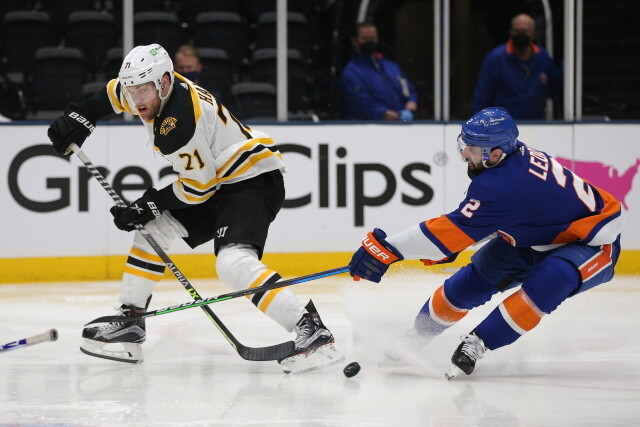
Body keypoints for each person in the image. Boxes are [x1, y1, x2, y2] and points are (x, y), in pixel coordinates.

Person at [47, 44, 344, 373]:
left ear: (163, 83)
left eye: (143, 90)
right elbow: (112, 95)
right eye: (132, 90)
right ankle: (131, 324)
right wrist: (81, 116)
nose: (137, 100)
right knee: (153, 231)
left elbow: (197, 187)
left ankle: (311, 330)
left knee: (232, 263)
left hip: (250, 180)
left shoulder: (178, 123)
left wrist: (150, 204)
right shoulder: (148, 87)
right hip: (217, 180)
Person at [348, 107, 623, 379]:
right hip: (538, 235)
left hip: (594, 242)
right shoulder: (510, 163)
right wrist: (458, 242)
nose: (465, 154)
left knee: (552, 279)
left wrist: (386, 249)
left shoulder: (504, 183)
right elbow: (510, 214)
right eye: (464, 144)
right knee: (472, 281)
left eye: (473, 148)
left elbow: (446, 232)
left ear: (496, 153)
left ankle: (479, 342)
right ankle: (417, 335)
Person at [472, 14, 561, 120]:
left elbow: (555, 88)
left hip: (536, 126)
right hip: (504, 127)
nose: (520, 35)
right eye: (517, 31)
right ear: (511, 32)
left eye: (524, 31)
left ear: (533, 34)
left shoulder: (542, 58)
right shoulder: (496, 58)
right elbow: (482, 96)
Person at [340, 22, 418, 121]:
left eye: (372, 38)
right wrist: (386, 114)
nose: (369, 42)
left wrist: (411, 102)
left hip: (400, 126)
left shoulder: (391, 67)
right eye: (364, 38)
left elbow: (409, 90)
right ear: (354, 41)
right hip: (369, 129)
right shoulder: (352, 72)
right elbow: (361, 104)